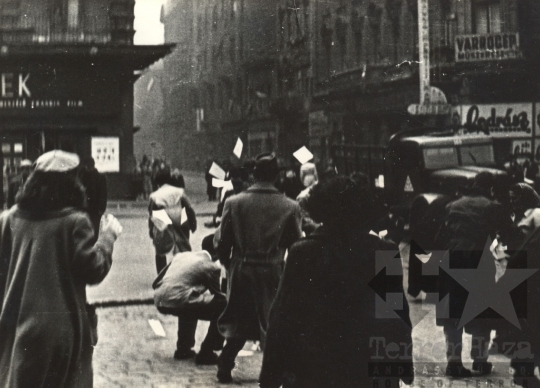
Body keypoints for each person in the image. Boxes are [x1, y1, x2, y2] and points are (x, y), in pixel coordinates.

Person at [259, 176, 414, 388]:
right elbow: (396, 317)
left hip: (314, 369)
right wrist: (403, 365)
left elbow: (283, 316)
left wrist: (271, 374)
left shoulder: (303, 252)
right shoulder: (383, 252)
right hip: (366, 368)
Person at [0, 150, 122, 387]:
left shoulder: (7, 220)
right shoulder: (74, 222)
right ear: (72, 183)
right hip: (59, 330)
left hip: (14, 325)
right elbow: (93, 269)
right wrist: (108, 238)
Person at [214, 153, 303, 383]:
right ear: (276, 176)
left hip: (242, 268)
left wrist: (230, 264)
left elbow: (222, 243)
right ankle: (276, 373)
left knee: (240, 320)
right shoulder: (290, 206)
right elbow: (296, 244)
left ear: (254, 174)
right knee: (272, 322)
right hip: (273, 270)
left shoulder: (233, 203)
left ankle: (225, 364)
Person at [439, 172, 512, 377]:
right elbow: (509, 233)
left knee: (453, 314)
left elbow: (439, 236)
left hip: (451, 260)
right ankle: (480, 361)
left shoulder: (453, 205)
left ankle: (453, 362)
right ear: (490, 189)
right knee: (482, 312)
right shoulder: (493, 207)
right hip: (478, 262)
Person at [148, 169, 198, 360]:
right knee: (183, 247)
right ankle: (184, 273)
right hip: (179, 215)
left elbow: (151, 214)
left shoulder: (155, 194)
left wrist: (152, 232)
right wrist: (192, 223)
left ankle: (162, 277)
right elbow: (189, 208)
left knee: (161, 250)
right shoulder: (178, 192)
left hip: (162, 215)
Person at [153, 238, 226, 365]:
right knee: (223, 305)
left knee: (192, 301)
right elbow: (218, 296)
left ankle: (183, 348)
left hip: (159, 299)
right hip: (178, 300)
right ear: (217, 252)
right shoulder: (211, 267)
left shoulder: (182, 255)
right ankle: (207, 351)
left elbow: (158, 279)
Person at [78, 157, 108, 242]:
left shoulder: (97, 177)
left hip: (89, 209)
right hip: (93, 210)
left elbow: (103, 194)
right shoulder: (84, 176)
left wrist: (101, 209)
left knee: (89, 232)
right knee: (93, 231)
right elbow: (103, 195)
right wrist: (101, 209)